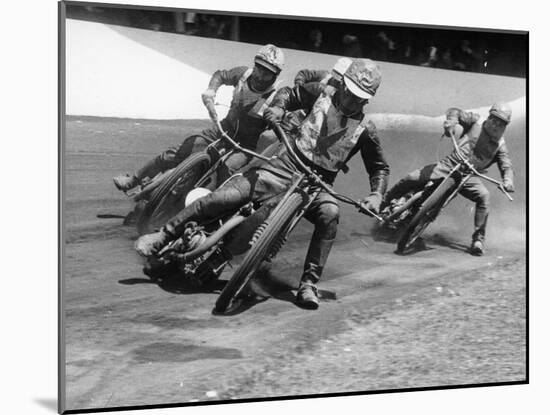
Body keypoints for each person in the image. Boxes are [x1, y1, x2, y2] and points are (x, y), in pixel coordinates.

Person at [135, 58, 390, 310]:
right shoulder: (319, 94)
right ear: (344, 85)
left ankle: (308, 284)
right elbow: (289, 93)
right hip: (285, 165)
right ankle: (163, 234)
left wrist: (376, 194)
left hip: (319, 184)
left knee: (331, 214)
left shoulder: (366, 130)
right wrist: (279, 107)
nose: (352, 101)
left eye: (360, 98)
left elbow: (379, 167)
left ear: (368, 98)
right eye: (350, 93)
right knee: (225, 197)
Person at [112, 44, 285, 192]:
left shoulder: (277, 94)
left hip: (245, 146)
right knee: (179, 151)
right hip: (223, 129)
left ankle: (209, 215)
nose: (260, 75)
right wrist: (211, 90)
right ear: (254, 65)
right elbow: (220, 75)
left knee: (226, 172)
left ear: (275, 76)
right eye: (259, 68)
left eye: (267, 73)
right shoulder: (243, 74)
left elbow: (282, 107)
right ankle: (134, 180)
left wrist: (277, 112)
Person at [382, 103, 515, 256]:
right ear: (489, 117)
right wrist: (451, 121)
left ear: (505, 126)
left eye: (501, 123)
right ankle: (383, 202)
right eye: (494, 120)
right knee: (411, 178)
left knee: (484, 196)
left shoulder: (500, 145)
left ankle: (478, 239)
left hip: (467, 176)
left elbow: (507, 166)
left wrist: (508, 181)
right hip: (448, 164)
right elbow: (455, 112)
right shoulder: (476, 121)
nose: (496, 125)